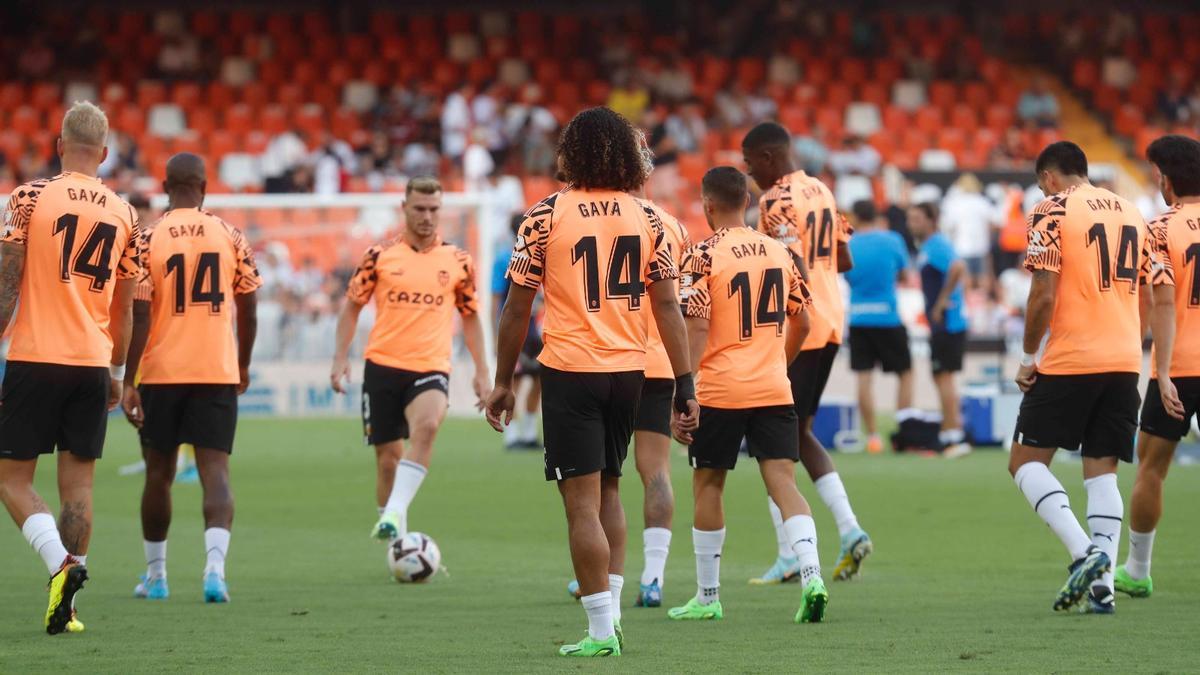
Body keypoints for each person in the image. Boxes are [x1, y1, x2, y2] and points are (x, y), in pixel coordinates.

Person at [485, 107, 698, 657]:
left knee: (580, 503)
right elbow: (670, 308)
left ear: (573, 151)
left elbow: (515, 309)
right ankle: (616, 605)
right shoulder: (648, 218)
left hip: (571, 368)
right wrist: (685, 385)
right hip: (629, 370)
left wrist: (504, 380)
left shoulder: (546, 215)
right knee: (609, 486)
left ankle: (602, 630)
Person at [1009, 141, 1177, 614]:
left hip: (1071, 357)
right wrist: (1131, 340)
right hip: (1124, 359)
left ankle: (1086, 553)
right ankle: (1103, 588)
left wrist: (1028, 356)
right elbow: (1151, 291)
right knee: (1102, 469)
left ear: (1049, 177)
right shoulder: (1132, 211)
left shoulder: (1051, 209)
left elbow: (1043, 292)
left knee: (1024, 463)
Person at [0, 101, 142, 634]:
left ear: (59, 146)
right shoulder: (126, 214)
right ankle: (69, 603)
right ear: (104, 154)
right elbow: (125, 309)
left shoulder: (30, 197)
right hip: (91, 361)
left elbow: (7, 284)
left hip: (37, 356)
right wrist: (117, 373)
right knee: (78, 489)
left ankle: (59, 565)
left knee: (12, 480)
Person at [666, 166, 828, 624]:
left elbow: (696, 325)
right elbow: (805, 322)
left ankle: (707, 595)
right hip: (773, 387)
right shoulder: (779, 252)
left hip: (720, 388)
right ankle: (812, 575)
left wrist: (685, 386)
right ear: (748, 202)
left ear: (707, 204)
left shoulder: (702, 254)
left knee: (709, 483)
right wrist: (780, 363)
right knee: (784, 484)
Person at [120, 153, 260, 603]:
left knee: (158, 474)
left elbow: (139, 313)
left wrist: (129, 380)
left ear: (165, 186)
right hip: (216, 368)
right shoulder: (229, 234)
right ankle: (215, 573)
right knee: (215, 470)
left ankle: (157, 577)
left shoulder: (148, 237)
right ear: (203, 185)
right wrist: (242, 363)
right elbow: (250, 305)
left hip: (162, 371)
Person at [742, 121, 873, 584]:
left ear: (769, 158)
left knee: (770, 438)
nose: (748, 171)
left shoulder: (775, 199)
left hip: (799, 327)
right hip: (832, 321)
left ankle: (794, 553)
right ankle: (848, 529)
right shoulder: (822, 190)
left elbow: (787, 266)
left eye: (750, 161)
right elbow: (845, 260)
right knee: (798, 433)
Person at [330, 176, 491, 542]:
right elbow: (352, 307)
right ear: (404, 208)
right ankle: (398, 541)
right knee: (388, 460)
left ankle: (395, 512)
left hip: (431, 366)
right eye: (419, 208)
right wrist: (340, 357)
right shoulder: (379, 256)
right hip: (383, 366)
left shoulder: (458, 261)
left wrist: (483, 370)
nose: (427, 217)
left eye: (434, 209)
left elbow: (470, 315)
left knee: (429, 425)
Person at [567, 197, 693, 607]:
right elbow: (680, 301)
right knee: (655, 471)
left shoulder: (589, 213)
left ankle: (600, 576)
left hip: (609, 357)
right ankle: (652, 578)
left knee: (602, 478)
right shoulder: (670, 225)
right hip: (659, 359)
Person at [1116, 135, 1200, 599]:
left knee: (1152, 468)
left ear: (1166, 179)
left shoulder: (1161, 229)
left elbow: (1162, 301)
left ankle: (1137, 569)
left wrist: (1161, 370)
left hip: (1183, 366)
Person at [843, 199, 913, 453]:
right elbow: (905, 275)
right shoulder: (893, 240)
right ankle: (904, 430)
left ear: (856, 217)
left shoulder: (849, 244)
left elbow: (847, 277)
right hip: (888, 317)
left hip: (859, 317)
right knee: (905, 373)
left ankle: (872, 436)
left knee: (863, 377)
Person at [908, 202, 971, 457]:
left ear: (931, 220)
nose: (912, 224)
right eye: (910, 219)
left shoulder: (937, 245)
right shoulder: (929, 247)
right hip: (942, 323)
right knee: (941, 377)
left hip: (948, 322)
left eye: (917, 219)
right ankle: (950, 430)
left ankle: (952, 434)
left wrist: (942, 301)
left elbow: (958, 267)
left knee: (944, 376)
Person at [491, 215, 542, 450]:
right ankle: (510, 435)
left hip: (536, 330)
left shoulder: (542, 252)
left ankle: (530, 434)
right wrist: (496, 336)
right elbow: (496, 300)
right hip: (517, 328)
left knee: (539, 379)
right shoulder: (504, 258)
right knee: (516, 380)